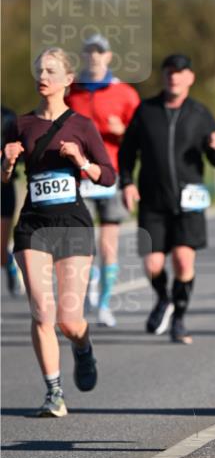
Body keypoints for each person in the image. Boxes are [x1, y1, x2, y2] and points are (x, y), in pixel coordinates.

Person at [1, 48, 115, 416]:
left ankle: (82, 346)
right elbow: (3, 179)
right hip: (33, 225)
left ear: (68, 79)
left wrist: (80, 161)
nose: (43, 76)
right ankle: (54, 392)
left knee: (69, 319)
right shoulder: (19, 125)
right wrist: (6, 162)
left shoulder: (81, 125)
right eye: (39, 70)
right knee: (42, 313)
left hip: (73, 226)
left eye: (51, 71)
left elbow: (108, 175)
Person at [119, 54, 215, 345]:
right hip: (153, 201)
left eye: (180, 72)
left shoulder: (199, 113)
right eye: (169, 72)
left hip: (189, 201)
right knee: (152, 264)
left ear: (190, 77)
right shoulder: (146, 111)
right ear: (164, 76)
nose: (174, 77)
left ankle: (179, 318)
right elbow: (126, 152)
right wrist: (127, 183)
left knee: (182, 260)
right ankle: (163, 299)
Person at [66, 33, 141, 327]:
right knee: (81, 242)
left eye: (100, 52)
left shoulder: (125, 93)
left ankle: (105, 305)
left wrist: (122, 130)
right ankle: (91, 283)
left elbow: (139, 138)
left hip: (110, 175)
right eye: (89, 52)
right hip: (79, 175)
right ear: (83, 57)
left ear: (108, 57)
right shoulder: (71, 91)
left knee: (108, 244)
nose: (94, 57)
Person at [1, 104, 23, 294]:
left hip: (4, 187)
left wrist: (7, 159)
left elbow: (20, 154)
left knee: (0, 251)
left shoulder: (8, 117)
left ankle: (9, 265)